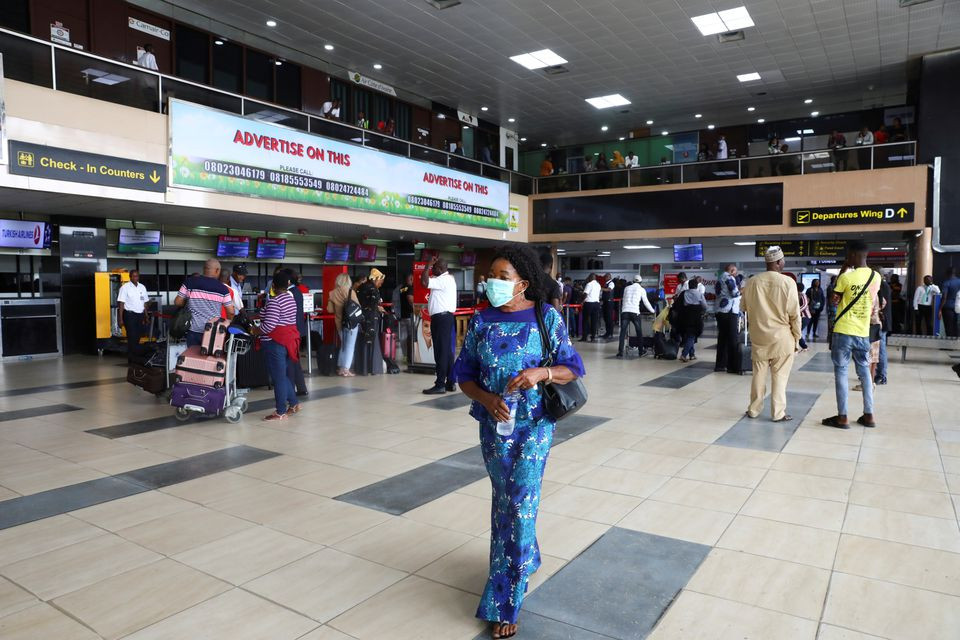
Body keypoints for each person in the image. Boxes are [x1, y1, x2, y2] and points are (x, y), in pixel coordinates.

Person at [452, 245, 584, 640]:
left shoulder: (546, 318)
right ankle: (528, 556)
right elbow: (464, 374)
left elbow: (573, 368)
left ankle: (505, 602)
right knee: (506, 502)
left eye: (501, 276)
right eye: (490, 275)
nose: (491, 282)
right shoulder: (481, 321)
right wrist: (487, 399)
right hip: (495, 430)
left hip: (535, 427)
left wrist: (540, 373)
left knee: (521, 501)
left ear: (523, 283)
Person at [822, 240, 880, 429]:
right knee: (864, 373)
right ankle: (869, 415)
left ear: (854, 255)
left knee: (841, 372)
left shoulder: (846, 278)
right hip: (863, 334)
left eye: (848, 255)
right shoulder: (876, 277)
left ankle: (843, 417)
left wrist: (843, 270)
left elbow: (834, 300)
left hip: (844, 332)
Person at [741, 246, 801, 422]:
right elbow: (795, 315)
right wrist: (797, 337)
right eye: (783, 260)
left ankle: (753, 409)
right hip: (782, 338)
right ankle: (778, 413)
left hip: (759, 336)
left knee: (758, 374)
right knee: (780, 376)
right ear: (777, 262)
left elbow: (743, 307)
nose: (784, 263)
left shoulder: (751, 282)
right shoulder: (787, 282)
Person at [253, 271, 300, 421]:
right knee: (283, 376)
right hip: (288, 342)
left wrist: (255, 331)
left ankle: (280, 411)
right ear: (287, 284)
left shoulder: (275, 301)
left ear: (273, 285)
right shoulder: (290, 299)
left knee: (278, 378)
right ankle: (293, 404)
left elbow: (269, 327)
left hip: (275, 344)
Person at [175, 259, 235, 347]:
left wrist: (190, 304)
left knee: (193, 358)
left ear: (204, 269)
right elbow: (231, 312)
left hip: (193, 331)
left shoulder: (190, 282)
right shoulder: (223, 289)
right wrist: (228, 322)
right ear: (217, 270)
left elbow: (177, 302)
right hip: (213, 332)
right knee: (210, 360)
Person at [422, 256, 458, 394]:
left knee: (441, 352)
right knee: (446, 352)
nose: (432, 269)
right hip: (445, 318)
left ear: (440, 268)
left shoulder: (443, 279)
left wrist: (426, 266)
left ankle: (440, 384)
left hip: (441, 319)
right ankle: (450, 382)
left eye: (434, 267)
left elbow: (424, 282)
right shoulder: (447, 279)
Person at [327, 273, 359, 377]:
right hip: (352, 323)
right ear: (348, 281)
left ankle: (340, 367)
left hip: (340, 323)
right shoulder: (351, 292)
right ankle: (346, 369)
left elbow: (330, 310)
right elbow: (358, 307)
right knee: (350, 346)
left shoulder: (332, 293)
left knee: (343, 346)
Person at [617, 275, 654, 357]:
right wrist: (653, 311)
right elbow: (646, 302)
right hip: (634, 312)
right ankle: (641, 352)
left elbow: (624, 299)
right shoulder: (641, 289)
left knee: (623, 333)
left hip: (625, 311)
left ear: (633, 281)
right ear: (640, 282)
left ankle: (620, 352)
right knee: (639, 332)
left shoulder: (626, 288)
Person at [284, 270, 308, 395]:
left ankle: (291, 389)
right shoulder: (297, 291)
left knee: (291, 361)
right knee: (295, 360)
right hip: (298, 329)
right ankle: (301, 388)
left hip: (292, 331)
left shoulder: (289, 293)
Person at [714, 264, 742, 372]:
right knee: (732, 339)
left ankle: (720, 365)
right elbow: (735, 293)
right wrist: (743, 290)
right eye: (735, 271)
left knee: (722, 338)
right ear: (731, 270)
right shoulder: (729, 278)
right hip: (729, 311)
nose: (736, 273)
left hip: (720, 311)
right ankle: (733, 366)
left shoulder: (720, 278)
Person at [117, 269, 150, 362]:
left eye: (137, 276)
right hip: (129, 315)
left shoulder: (142, 287)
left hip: (140, 315)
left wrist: (146, 316)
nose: (136, 278)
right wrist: (120, 319)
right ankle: (131, 359)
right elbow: (121, 304)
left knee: (138, 336)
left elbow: (145, 303)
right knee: (132, 336)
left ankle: (134, 357)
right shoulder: (125, 287)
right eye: (134, 276)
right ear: (130, 277)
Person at [674, 278, 707, 362]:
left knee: (689, 335)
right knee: (692, 336)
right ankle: (684, 354)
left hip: (684, 316)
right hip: (695, 317)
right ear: (696, 286)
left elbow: (677, 304)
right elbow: (704, 306)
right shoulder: (699, 294)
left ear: (688, 286)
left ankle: (692, 354)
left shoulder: (684, 293)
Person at [875, 274, 892, 385]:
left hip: (881, 322)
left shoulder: (882, 285)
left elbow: (882, 304)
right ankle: (876, 373)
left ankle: (882, 375)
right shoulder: (881, 285)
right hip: (879, 321)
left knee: (881, 349)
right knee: (876, 349)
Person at [398, 274, 415, 365]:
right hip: (409, 316)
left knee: (403, 336)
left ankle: (405, 355)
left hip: (402, 315)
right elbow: (410, 299)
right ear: (411, 279)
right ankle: (410, 356)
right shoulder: (410, 288)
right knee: (411, 336)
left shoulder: (402, 288)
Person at [581, 273, 601, 342]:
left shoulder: (589, 284)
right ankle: (593, 337)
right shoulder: (598, 285)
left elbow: (585, 294)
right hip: (596, 304)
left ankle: (584, 337)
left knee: (585, 321)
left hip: (589, 303)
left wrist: (582, 301)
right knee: (594, 321)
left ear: (590, 278)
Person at [940, 268, 960, 338]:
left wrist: (940, 309)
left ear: (947, 273)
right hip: (958, 307)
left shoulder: (947, 282)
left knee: (948, 326)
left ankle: (949, 346)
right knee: (956, 325)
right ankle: (957, 343)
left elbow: (944, 297)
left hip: (948, 307)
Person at [600, 273, 615, 339]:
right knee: (606, 318)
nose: (605, 278)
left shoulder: (611, 283)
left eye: (605, 277)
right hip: (605, 302)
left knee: (609, 318)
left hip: (609, 303)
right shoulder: (606, 283)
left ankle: (610, 333)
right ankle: (607, 332)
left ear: (608, 277)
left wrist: (601, 288)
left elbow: (609, 289)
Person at [826, 274, 838, 347]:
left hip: (833, 305)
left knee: (833, 321)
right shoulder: (831, 287)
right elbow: (832, 297)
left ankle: (830, 336)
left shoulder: (832, 286)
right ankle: (830, 337)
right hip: (833, 305)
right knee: (832, 321)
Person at [797, 281, 811, 351]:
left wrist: (796, 311)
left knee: (797, 331)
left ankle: (804, 346)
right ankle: (803, 346)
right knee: (796, 331)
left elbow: (804, 305)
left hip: (805, 317)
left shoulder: (803, 295)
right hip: (799, 317)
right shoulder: (795, 295)